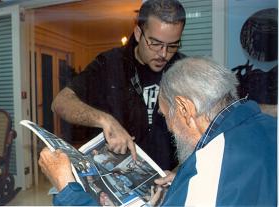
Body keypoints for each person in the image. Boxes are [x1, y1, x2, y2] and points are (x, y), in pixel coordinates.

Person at [39, 57, 277, 206]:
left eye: (166, 117)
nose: (170, 129)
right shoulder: (268, 126)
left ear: (185, 108)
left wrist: (67, 188)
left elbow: (213, 183)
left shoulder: (210, 171)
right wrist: (184, 182)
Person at [51, 0, 186, 170]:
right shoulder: (109, 64)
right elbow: (61, 102)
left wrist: (178, 173)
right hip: (116, 178)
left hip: (168, 182)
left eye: (172, 45)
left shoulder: (184, 69)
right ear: (138, 33)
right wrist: (105, 120)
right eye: (156, 43)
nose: (164, 54)